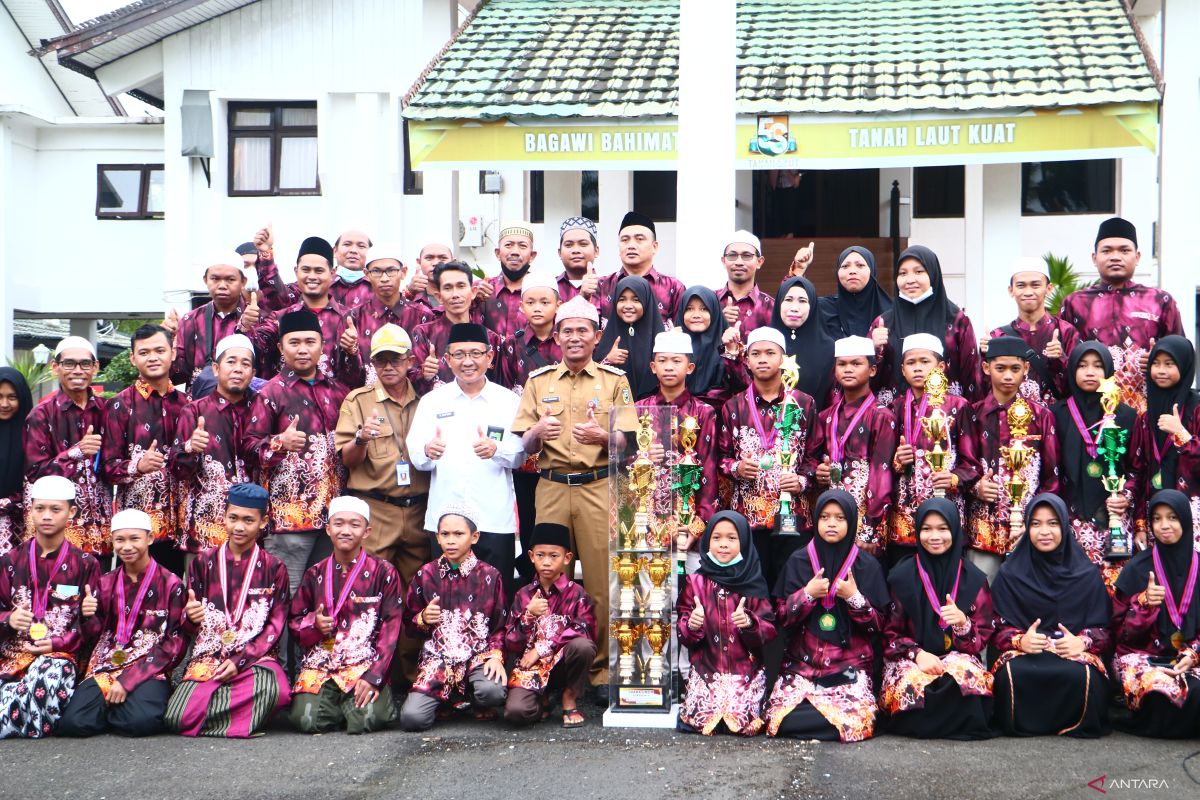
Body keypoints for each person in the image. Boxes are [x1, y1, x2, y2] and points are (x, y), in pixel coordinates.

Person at [513, 295, 634, 691]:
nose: (576, 337)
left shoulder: (614, 382)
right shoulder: (538, 381)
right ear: (557, 336)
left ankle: (598, 672)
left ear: (597, 336)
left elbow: (630, 445)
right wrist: (536, 433)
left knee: (600, 583)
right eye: (568, 330)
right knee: (549, 580)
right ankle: (548, 666)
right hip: (551, 487)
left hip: (598, 486)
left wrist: (604, 437)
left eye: (584, 330)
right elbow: (525, 446)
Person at [335, 324, 428, 686]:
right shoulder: (358, 401)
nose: (388, 367)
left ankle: (410, 676)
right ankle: (372, 677)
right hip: (377, 509)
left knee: (414, 597)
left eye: (395, 359)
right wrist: (361, 437)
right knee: (371, 592)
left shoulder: (428, 399)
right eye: (380, 360)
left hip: (419, 510)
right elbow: (348, 458)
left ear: (410, 360)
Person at [407, 323, 525, 596]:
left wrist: (498, 451)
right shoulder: (433, 401)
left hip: (494, 520)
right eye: (459, 354)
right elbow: (415, 453)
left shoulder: (507, 401)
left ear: (490, 357)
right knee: (447, 599)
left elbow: (520, 455)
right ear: (447, 359)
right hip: (446, 523)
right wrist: (428, 451)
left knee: (497, 599)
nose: (468, 361)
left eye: (475, 353)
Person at [165, 483, 291, 738]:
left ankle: (217, 711)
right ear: (223, 517)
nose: (239, 527)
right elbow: (189, 627)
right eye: (233, 518)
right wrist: (190, 617)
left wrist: (240, 660)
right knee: (176, 718)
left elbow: (275, 625)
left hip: (256, 657)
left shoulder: (274, 568)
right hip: (209, 655)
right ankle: (241, 715)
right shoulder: (203, 563)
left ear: (263, 522)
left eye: (248, 520)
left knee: (278, 691)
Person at [245, 308, 352, 596]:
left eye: (310, 342)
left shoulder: (337, 391)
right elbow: (249, 447)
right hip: (290, 521)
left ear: (322, 345)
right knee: (286, 597)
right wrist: (279, 444)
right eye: (294, 343)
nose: (303, 350)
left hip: (333, 517)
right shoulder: (270, 394)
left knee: (325, 595)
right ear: (281, 348)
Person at [766, 489, 888, 741]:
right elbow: (780, 618)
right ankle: (818, 716)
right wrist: (807, 594)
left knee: (855, 722)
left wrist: (854, 597)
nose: (831, 523)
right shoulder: (799, 561)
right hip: (802, 668)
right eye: (824, 517)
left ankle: (821, 715)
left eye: (840, 518)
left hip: (847, 669)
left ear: (852, 521)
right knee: (779, 719)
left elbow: (879, 626)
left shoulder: (867, 566)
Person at [991, 493, 1113, 738]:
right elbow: (994, 626)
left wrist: (1082, 642)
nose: (1044, 531)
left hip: (1072, 651)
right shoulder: (1010, 573)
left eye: (1053, 523)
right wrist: (1020, 640)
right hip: (1027, 653)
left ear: (1065, 527)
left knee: (1084, 675)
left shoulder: (1086, 574)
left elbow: (1105, 629)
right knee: (1012, 675)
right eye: (1036, 524)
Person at [57, 509, 186, 737]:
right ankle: (117, 705)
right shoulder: (105, 583)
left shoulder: (171, 584)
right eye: (120, 540)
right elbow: (91, 634)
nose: (127, 546)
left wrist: (128, 681)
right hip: (106, 665)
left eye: (134, 539)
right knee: (74, 723)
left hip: (148, 666)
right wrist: (87, 615)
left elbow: (174, 643)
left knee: (140, 724)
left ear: (149, 538)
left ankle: (123, 704)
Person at [881, 498, 995, 740]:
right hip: (912, 659)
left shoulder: (973, 579)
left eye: (943, 529)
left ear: (955, 530)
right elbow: (889, 634)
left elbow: (982, 638)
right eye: (927, 529)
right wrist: (917, 654)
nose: (935, 536)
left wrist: (963, 625)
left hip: (956, 657)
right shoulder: (901, 577)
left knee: (967, 680)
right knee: (912, 687)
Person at [288, 496, 401, 734]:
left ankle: (351, 706)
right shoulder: (314, 574)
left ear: (367, 531)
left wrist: (374, 677)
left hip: (363, 665)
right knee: (306, 721)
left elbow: (391, 631)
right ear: (328, 529)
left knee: (367, 720)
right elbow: (294, 621)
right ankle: (337, 705)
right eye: (339, 524)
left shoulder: (384, 572)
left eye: (354, 525)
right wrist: (314, 625)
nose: (346, 531)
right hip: (321, 664)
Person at [0, 475, 100, 738]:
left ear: (71, 512)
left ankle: (8, 711)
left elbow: (93, 629)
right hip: (13, 655)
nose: (46, 516)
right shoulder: (10, 561)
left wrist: (61, 641)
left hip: (61, 656)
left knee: (49, 678)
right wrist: (8, 619)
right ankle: (24, 713)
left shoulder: (86, 564)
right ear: (29, 510)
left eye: (55, 509)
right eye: (39, 508)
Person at [718, 327, 816, 584]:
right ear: (747, 361)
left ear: (783, 359)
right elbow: (721, 457)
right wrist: (737, 468)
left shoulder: (804, 403)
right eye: (756, 353)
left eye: (770, 353)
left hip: (793, 517)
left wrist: (802, 481)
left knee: (792, 588)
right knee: (754, 595)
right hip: (748, 520)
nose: (763, 359)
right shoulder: (733, 406)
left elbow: (814, 456)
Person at [399, 504, 507, 731]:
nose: (451, 540)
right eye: (445, 534)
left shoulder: (490, 575)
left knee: (492, 692)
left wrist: (496, 656)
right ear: (437, 537)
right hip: (438, 659)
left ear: (474, 537)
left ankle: (475, 700)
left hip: (478, 656)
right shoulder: (425, 575)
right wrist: (423, 618)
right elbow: (408, 624)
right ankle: (442, 701)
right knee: (412, 719)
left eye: (459, 534)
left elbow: (500, 625)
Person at [1060, 217, 1183, 413]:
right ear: (1094, 257)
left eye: (1124, 250)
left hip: (1148, 411)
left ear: (1138, 256)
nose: (1115, 257)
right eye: (1107, 250)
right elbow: (1065, 362)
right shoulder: (1074, 303)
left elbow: (1182, 358)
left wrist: (1158, 359)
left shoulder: (1160, 301)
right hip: (1092, 412)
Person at [962, 336, 1060, 578]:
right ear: (986, 368)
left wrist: (1036, 520)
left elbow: (1052, 476)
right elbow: (964, 462)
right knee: (982, 598)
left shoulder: (1041, 416)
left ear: (1026, 369)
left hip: (1029, 529)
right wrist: (977, 487)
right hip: (983, 528)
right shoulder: (973, 414)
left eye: (1015, 368)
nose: (1008, 376)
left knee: (1027, 601)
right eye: (1000, 368)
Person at [1051, 341, 1146, 586]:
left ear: (1109, 371)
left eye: (1097, 366)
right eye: (1082, 366)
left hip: (1113, 514)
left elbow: (1137, 467)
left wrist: (1126, 495)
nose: (1090, 372)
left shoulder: (1125, 415)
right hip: (1069, 518)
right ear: (1072, 370)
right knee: (1073, 584)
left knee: (1114, 584)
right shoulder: (1057, 414)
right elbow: (1049, 467)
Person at [676, 511, 775, 736]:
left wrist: (750, 624)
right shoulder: (695, 582)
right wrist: (692, 624)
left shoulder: (753, 582)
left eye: (732, 538)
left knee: (742, 722)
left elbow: (769, 631)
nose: (723, 544)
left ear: (745, 542)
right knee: (700, 720)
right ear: (707, 541)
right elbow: (683, 633)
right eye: (716, 538)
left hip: (745, 673)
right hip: (706, 672)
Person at [101, 324, 189, 575]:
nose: (152, 357)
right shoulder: (119, 405)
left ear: (172, 353)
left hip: (180, 521)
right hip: (139, 526)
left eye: (160, 350)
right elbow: (107, 468)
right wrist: (137, 466)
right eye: (144, 352)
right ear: (133, 358)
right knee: (133, 594)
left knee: (174, 595)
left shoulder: (188, 405)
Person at [1112, 490, 1200, 738]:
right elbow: (1119, 634)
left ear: (1185, 520)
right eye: (1157, 519)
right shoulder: (1137, 568)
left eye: (1172, 518)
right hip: (1144, 657)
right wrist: (1143, 604)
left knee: (1195, 692)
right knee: (1159, 694)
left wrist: (1194, 654)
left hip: (1191, 657)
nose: (1164, 526)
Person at [886, 334, 977, 566]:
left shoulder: (958, 406)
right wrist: (898, 461)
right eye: (911, 362)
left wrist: (954, 478)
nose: (918, 368)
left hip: (946, 512)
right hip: (904, 515)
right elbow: (881, 464)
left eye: (925, 361)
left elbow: (972, 463)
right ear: (903, 370)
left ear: (941, 367)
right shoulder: (894, 408)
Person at [805, 336, 897, 558]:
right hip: (831, 518)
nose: (848, 369)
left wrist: (870, 530)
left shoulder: (881, 416)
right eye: (842, 364)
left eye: (856, 364)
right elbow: (810, 460)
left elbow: (881, 475)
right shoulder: (826, 416)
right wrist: (818, 471)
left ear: (872, 370)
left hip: (865, 519)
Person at [502, 522, 597, 728]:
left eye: (554, 556)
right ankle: (542, 700)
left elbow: (584, 630)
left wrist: (542, 648)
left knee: (583, 646)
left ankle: (569, 696)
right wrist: (528, 615)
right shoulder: (524, 594)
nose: (546, 562)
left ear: (567, 558)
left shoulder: (577, 594)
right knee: (516, 714)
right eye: (540, 555)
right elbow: (510, 642)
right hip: (532, 669)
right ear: (530, 556)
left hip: (563, 666)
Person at [23, 336, 110, 555]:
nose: (78, 370)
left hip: (101, 526)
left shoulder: (107, 410)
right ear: (55, 367)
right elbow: (35, 472)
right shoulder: (41, 414)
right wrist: (75, 453)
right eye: (69, 364)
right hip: (59, 528)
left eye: (85, 364)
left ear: (95, 367)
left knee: (97, 586)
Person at [172, 334, 257, 555]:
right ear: (217, 369)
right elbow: (177, 470)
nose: (238, 369)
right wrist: (190, 448)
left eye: (245, 364)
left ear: (253, 373)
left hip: (252, 528)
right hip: (204, 530)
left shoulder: (263, 408)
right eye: (231, 362)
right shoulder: (193, 411)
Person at [639, 330, 718, 562]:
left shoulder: (704, 413)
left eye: (676, 361)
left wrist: (698, 524)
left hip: (688, 519)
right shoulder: (638, 410)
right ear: (653, 367)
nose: (669, 367)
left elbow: (709, 473)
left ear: (690, 367)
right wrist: (642, 456)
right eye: (662, 361)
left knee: (686, 588)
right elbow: (622, 466)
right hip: (647, 519)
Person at [869, 245, 980, 406]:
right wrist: (874, 350)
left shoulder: (956, 321)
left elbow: (971, 378)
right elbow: (866, 377)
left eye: (919, 271)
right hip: (895, 419)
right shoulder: (883, 323)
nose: (910, 279)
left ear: (932, 273)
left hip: (946, 417)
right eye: (902, 273)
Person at [250, 232, 364, 386]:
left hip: (337, 406)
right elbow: (255, 347)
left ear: (332, 273)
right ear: (296, 271)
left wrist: (352, 351)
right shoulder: (281, 318)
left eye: (319, 271)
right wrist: (246, 326)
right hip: (288, 405)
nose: (312, 276)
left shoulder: (351, 318)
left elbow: (362, 376)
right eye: (306, 270)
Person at [983, 257, 1079, 407]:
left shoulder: (1065, 331)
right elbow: (984, 388)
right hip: (1012, 422)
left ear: (1049, 288)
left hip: (1057, 421)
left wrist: (1060, 359)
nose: (1028, 292)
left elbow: (1079, 384)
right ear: (1011, 290)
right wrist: (985, 352)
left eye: (1035, 285)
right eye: (1021, 285)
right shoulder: (998, 336)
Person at [168, 254, 265, 390]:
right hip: (201, 407)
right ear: (205, 280)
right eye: (215, 279)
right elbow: (178, 373)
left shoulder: (259, 317)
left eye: (230, 279)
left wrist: (249, 329)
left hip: (248, 406)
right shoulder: (190, 321)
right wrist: (165, 343)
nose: (222, 286)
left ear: (243, 281)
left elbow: (267, 363)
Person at [1139, 337, 1200, 546]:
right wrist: (1139, 523)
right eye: (1156, 363)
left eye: (1169, 363)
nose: (1161, 370)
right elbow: (1138, 469)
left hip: (1191, 512)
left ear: (1184, 365)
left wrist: (1181, 434)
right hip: (1156, 514)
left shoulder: (1196, 408)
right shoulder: (1147, 415)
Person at [409, 261, 503, 394]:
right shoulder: (424, 333)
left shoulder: (490, 338)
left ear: (473, 292)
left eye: (461, 286)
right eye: (448, 288)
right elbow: (410, 385)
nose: (455, 295)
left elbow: (499, 386)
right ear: (439, 297)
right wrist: (425, 374)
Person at [349, 243, 434, 385]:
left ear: (403, 272)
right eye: (376, 271)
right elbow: (347, 375)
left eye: (391, 270)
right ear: (366, 274)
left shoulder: (422, 316)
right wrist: (349, 351)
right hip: (369, 402)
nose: (384, 278)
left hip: (414, 400)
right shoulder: (354, 317)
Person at [591, 211, 685, 321]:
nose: (631, 245)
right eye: (625, 240)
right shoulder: (601, 286)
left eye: (639, 239)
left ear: (654, 246)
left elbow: (681, 332)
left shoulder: (674, 288)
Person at [597, 274, 667, 400]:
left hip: (652, 410)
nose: (628, 305)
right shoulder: (607, 336)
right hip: (615, 409)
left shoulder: (661, 338)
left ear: (646, 301)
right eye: (622, 299)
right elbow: (592, 378)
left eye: (636, 300)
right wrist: (608, 359)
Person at [770, 276, 835, 408]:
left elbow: (833, 400)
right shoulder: (764, 344)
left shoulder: (829, 349)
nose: (794, 308)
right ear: (778, 304)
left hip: (814, 425)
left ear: (812, 306)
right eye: (788, 300)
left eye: (802, 301)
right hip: (767, 425)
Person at [675, 286, 741, 411]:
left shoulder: (727, 343)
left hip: (719, 420)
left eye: (704, 309)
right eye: (689, 309)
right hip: (680, 418)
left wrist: (731, 351)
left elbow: (741, 386)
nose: (696, 315)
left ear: (714, 312)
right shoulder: (672, 344)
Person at [818, 246, 892, 340]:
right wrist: (799, 271)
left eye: (860, 265)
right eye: (845, 266)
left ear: (872, 270)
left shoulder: (890, 312)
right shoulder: (824, 309)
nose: (852, 271)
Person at [479, 222, 538, 339]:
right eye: (508, 245)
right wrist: (473, 302)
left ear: (532, 256)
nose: (515, 251)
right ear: (497, 253)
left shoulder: (542, 292)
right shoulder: (483, 291)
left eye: (522, 246)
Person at [714, 231, 774, 335]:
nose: (739, 262)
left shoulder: (771, 307)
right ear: (724, 261)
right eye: (732, 255)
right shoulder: (709, 302)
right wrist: (718, 322)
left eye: (746, 256)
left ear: (759, 262)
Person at [0, 367, 32, 554]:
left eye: (12, 397)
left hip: (19, 525)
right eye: (0, 396)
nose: (4, 404)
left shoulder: (33, 434)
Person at [555, 217, 601, 304]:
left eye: (583, 244)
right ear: (559, 252)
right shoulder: (549, 287)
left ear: (596, 251)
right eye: (569, 245)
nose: (576, 250)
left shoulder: (608, 287)